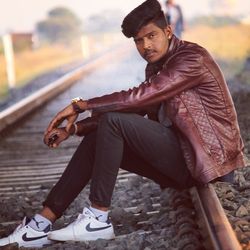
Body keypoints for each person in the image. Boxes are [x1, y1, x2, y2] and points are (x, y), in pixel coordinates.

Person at [0, 0, 246, 248]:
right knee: (100, 134)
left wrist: (80, 105)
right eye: (139, 40)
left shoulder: (191, 58)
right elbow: (138, 107)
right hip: (184, 158)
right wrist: (75, 128)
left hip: (210, 163)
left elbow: (140, 96)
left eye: (151, 36)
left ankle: (97, 218)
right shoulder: (157, 66)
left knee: (113, 121)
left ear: (168, 32)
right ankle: (41, 224)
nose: (146, 45)